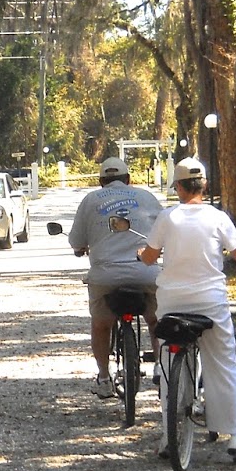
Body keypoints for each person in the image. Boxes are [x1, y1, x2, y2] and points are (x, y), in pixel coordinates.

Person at [137, 156, 236, 464]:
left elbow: (150, 257)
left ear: (179, 188)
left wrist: (142, 253)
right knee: (223, 364)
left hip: (173, 301)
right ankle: (235, 437)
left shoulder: (167, 217)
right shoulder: (218, 217)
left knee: (168, 363)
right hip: (211, 302)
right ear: (204, 185)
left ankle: (168, 436)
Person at [68, 156, 162, 399]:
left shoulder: (90, 200)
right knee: (156, 320)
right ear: (128, 179)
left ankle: (103, 377)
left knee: (101, 325)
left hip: (106, 276)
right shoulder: (146, 197)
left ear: (101, 181)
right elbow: (164, 231)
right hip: (145, 272)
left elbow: (76, 241)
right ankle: (161, 367)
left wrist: (81, 248)